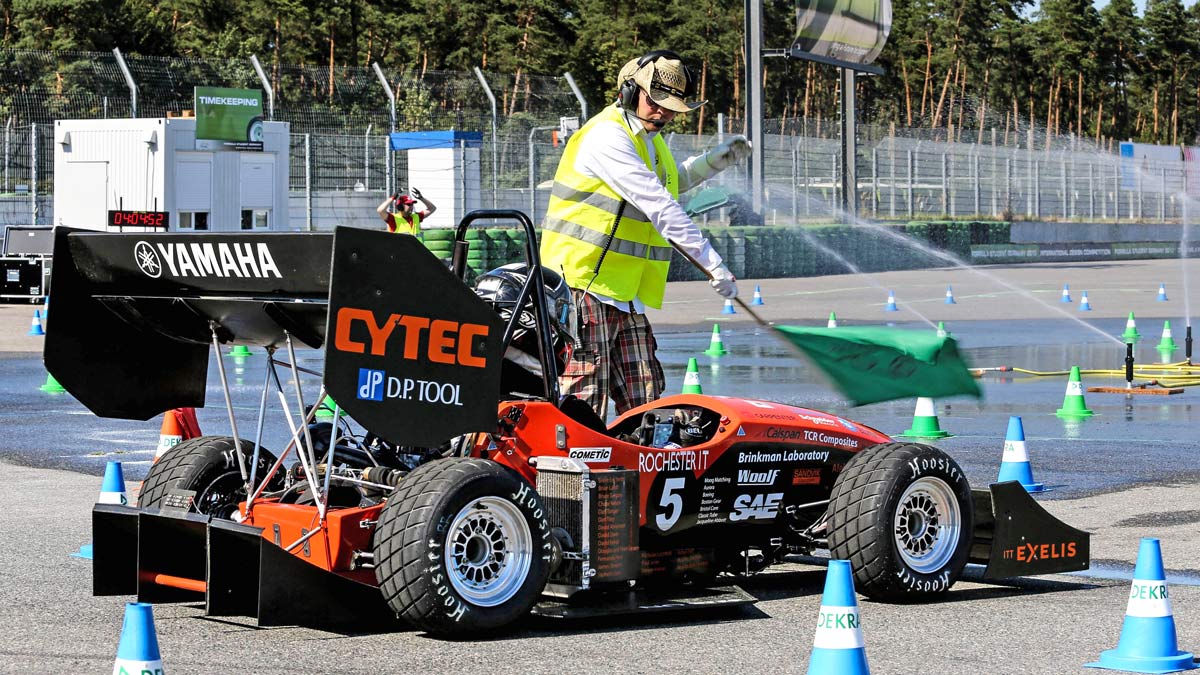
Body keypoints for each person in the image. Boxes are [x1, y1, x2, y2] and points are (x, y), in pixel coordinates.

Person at [539, 49, 752, 419]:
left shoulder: (648, 142)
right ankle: (568, 475)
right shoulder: (607, 137)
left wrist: (714, 161)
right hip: (582, 286)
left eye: (672, 106)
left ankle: (639, 472)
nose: (665, 112)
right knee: (583, 400)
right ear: (627, 91)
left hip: (624, 293)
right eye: (656, 102)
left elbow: (671, 182)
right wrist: (713, 264)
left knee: (646, 399)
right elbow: (659, 204)